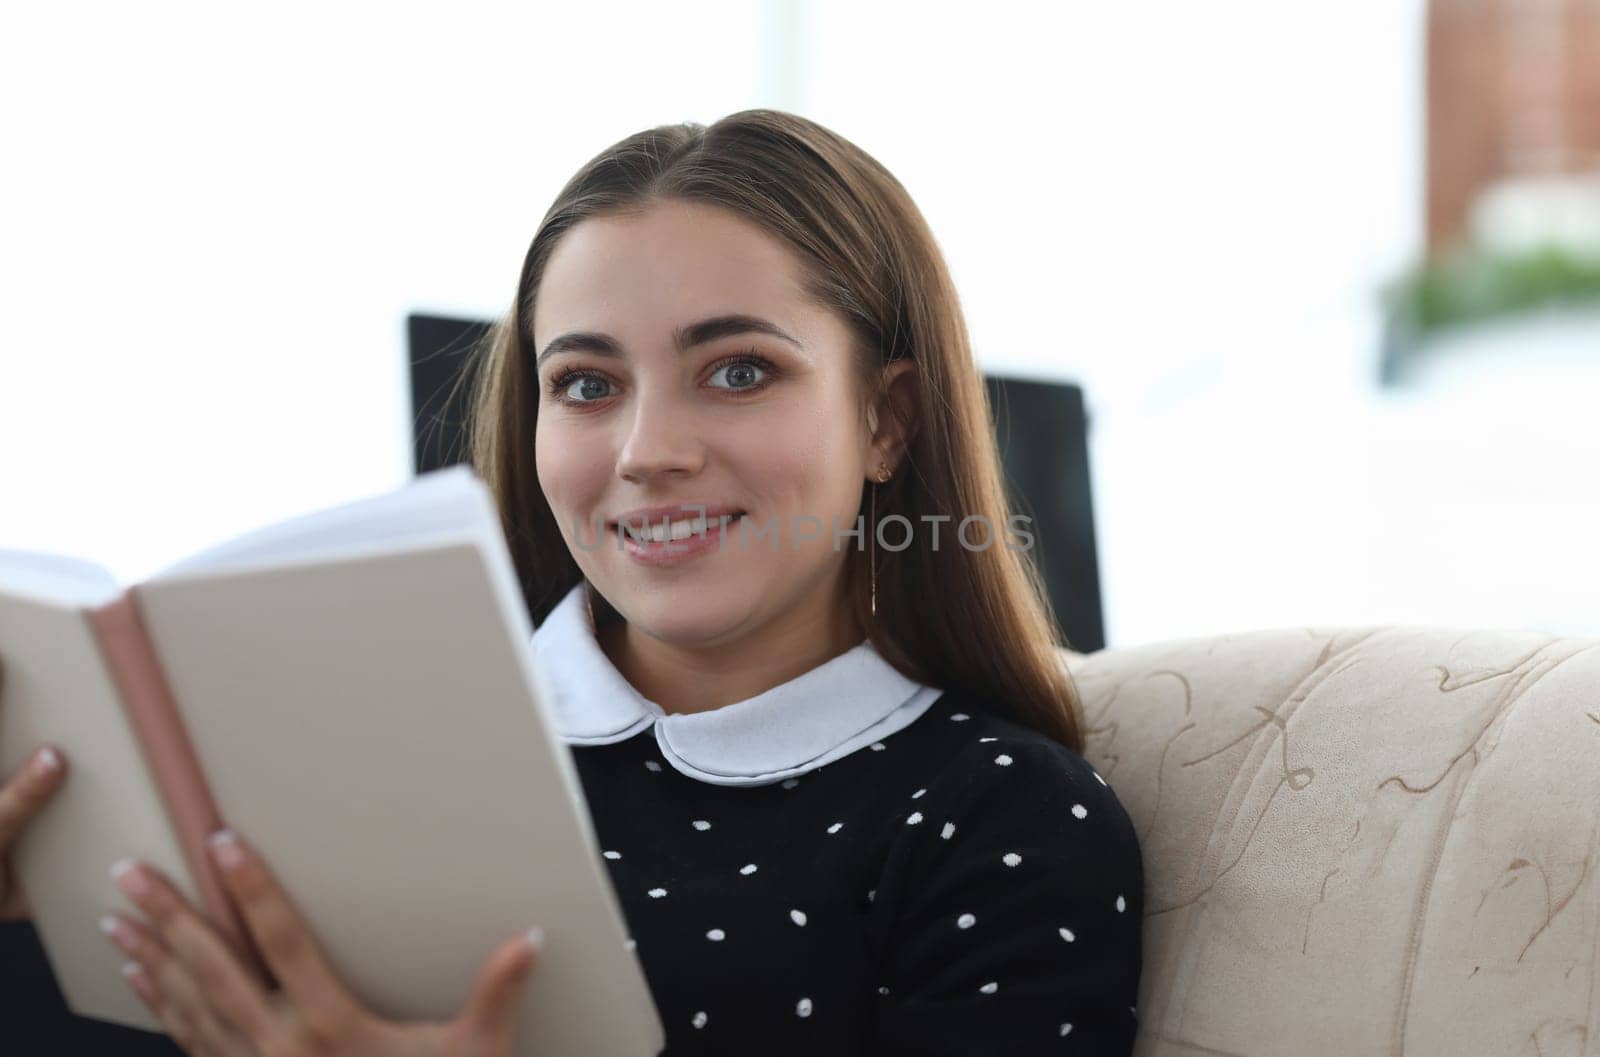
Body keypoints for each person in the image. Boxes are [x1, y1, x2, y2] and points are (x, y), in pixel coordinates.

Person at [0, 109, 1143, 1056]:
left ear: (886, 418)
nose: (647, 449)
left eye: (737, 371)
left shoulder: (1002, 821)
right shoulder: (354, 744)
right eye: (587, 385)